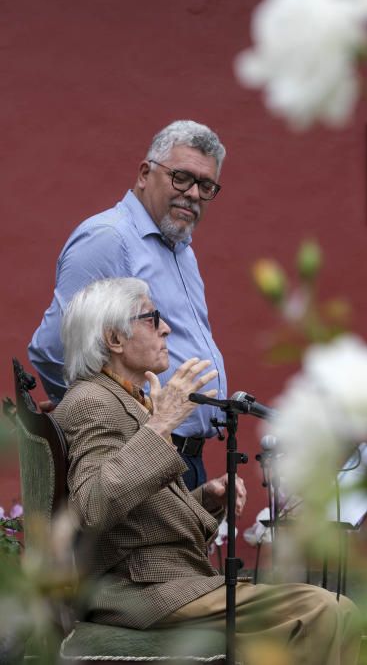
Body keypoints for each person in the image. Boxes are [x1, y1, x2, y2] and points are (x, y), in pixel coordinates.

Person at [53, 277, 362, 665]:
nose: (166, 328)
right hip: (141, 589)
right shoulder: (94, 402)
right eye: (153, 319)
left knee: (328, 612)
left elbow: (133, 507)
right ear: (114, 339)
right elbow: (92, 506)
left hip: (165, 582)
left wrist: (206, 498)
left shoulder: (121, 398)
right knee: (322, 609)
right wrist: (160, 424)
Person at [29, 120, 227, 490]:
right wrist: (96, 419)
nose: (194, 194)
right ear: (144, 173)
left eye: (206, 185)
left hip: (181, 452)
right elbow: (54, 347)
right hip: (138, 451)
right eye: (181, 177)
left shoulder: (180, 248)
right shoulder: (110, 238)